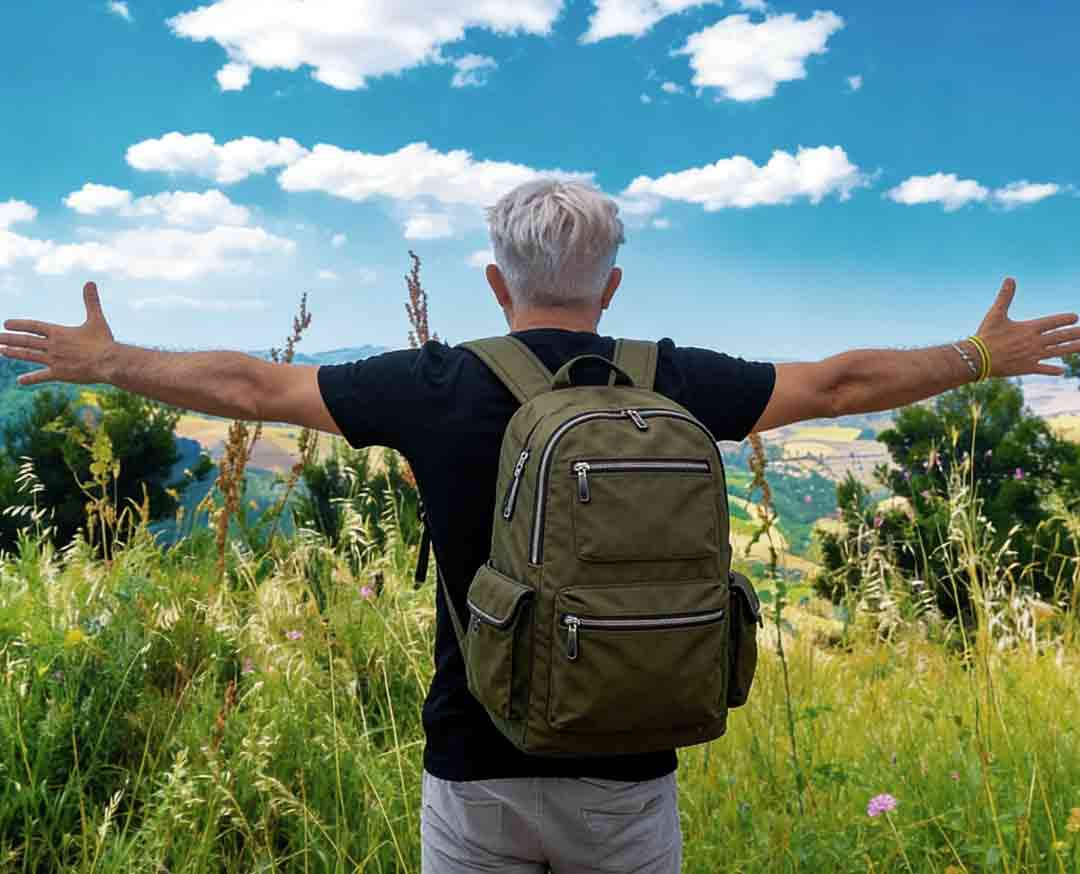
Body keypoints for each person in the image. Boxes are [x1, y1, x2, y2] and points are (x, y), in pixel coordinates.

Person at [2, 180, 1078, 873]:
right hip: (630, 770)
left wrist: (112, 361)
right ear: (611, 283)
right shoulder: (675, 379)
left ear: (494, 281)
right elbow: (840, 383)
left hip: (475, 766)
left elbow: (253, 384)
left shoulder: (434, 384)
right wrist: (979, 356)